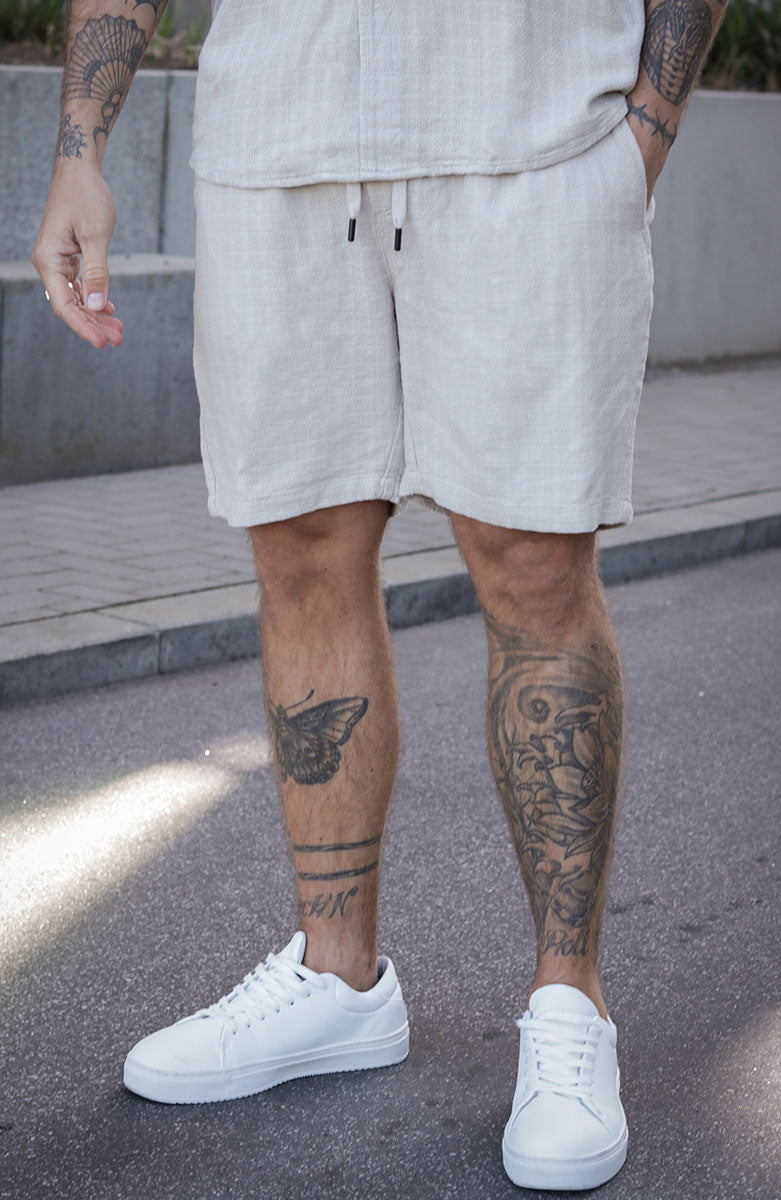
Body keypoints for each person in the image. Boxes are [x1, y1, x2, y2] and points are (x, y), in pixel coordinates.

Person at [33, 0, 729, 1189]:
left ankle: (569, 1002)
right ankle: (337, 978)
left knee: (531, 563)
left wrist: (645, 129)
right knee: (300, 549)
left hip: (533, 134)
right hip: (277, 137)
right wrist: (78, 150)